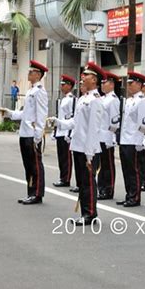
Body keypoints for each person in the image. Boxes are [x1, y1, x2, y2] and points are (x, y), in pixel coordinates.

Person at [50, 62, 105, 225]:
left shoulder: (95, 100)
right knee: (82, 181)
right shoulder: (83, 98)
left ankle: (90, 214)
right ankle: (86, 212)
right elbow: (76, 122)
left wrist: (89, 153)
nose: (82, 77)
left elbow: (94, 129)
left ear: (94, 80)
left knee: (88, 182)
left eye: (86, 75)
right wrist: (59, 122)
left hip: (88, 149)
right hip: (78, 145)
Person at [0, 60, 48, 205]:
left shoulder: (40, 92)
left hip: (32, 134)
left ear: (38, 74)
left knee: (35, 165)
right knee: (28, 165)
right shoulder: (30, 91)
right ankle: (31, 191)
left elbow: (41, 114)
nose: (28, 73)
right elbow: (25, 114)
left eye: (31, 71)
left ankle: (37, 193)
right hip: (24, 133)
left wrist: (38, 135)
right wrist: (10, 113)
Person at [116, 71, 145, 207]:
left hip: (134, 140)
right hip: (125, 139)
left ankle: (135, 197)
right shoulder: (129, 100)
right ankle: (129, 194)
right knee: (126, 170)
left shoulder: (142, 101)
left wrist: (141, 140)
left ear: (139, 84)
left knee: (133, 170)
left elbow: (144, 124)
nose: (129, 86)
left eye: (131, 83)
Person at [97, 72, 121, 200]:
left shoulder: (113, 100)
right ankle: (101, 188)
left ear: (111, 84)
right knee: (101, 164)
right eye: (101, 83)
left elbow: (114, 120)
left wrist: (111, 137)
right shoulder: (103, 98)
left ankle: (108, 189)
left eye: (104, 82)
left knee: (108, 164)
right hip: (100, 136)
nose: (102, 85)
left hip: (107, 136)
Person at [52, 74, 76, 188]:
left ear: (69, 86)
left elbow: (70, 117)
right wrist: (55, 131)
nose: (61, 87)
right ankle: (62, 177)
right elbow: (60, 116)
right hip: (60, 131)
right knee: (61, 156)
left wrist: (68, 133)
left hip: (66, 131)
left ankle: (66, 178)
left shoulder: (71, 100)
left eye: (64, 84)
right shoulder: (63, 99)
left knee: (66, 157)